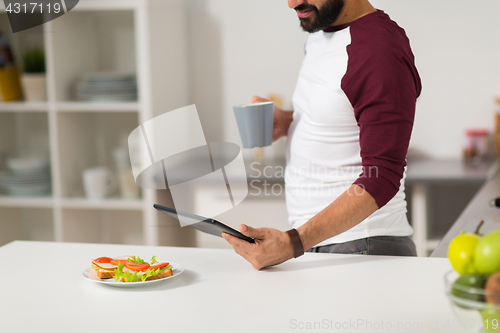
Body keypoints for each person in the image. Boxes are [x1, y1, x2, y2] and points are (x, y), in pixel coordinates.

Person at [222, 0, 422, 269]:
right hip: (325, 243)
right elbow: (345, 113)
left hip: (363, 247)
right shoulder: (322, 32)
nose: (293, 3)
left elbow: (383, 175)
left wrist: (293, 243)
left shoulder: (378, 50)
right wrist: (290, 121)